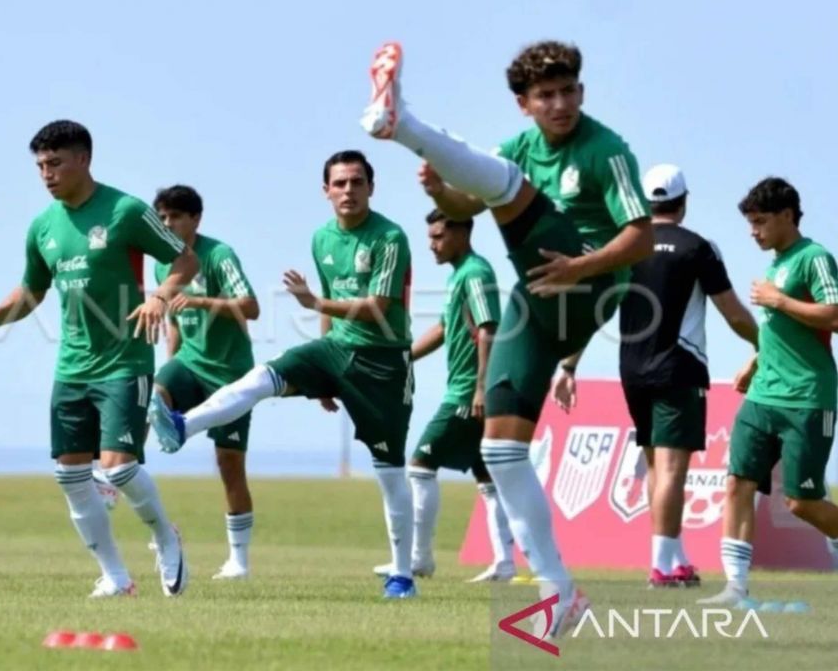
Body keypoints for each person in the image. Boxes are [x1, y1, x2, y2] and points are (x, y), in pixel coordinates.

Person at [360, 40, 652, 633]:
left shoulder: (606, 149)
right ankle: (560, 592)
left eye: (569, 91)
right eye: (546, 95)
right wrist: (441, 192)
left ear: (582, 92)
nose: (561, 103)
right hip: (535, 296)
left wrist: (581, 268)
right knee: (499, 451)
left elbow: (641, 239)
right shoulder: (516, 147)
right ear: (524, 105)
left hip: (590, 285)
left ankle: (404, 124)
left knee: (512, 188)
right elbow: (474, 198)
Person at [150, 150, 419, 599]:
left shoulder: (389, 237)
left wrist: (315, 305)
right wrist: (323, 379)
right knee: (263, 377)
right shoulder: (322, 238)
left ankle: (403, 575)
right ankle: (182, 425)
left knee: (390, 472)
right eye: (339, 183)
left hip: (383, 363)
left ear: (371, 187)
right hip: (333, 351)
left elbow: (378, 308)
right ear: (326, 191)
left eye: (356, 182)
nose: (348, 191)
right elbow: (332, 303)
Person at [0, 120, 198, 597]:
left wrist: (160, 296)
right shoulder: (43, 226)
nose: (46, 174)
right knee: (70, 475)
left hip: (124, 361)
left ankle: (164, 537)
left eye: (55, 163)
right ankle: (115, 577)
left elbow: (185, 260)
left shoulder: (126, 211)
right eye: (40, 166)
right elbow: (31, 291)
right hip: (71, 367)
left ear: (84, 160)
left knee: (117, 468)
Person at [553, 164, 758, 588]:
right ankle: (662, 566)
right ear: (682, 204)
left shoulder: (624, 248)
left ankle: (675, 558)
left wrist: (568, 365)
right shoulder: (699, 247)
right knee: (670, 470)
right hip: (678, 368)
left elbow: (597, 311)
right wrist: (765, 346)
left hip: (632, 369)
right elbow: (734, 314)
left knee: (654, 466)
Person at [700, 177, 838, 605]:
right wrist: (755, 361)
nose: (752, 231)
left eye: (760, 222)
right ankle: (735, 588)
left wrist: (779, 301)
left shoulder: (814, 258)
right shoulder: (776, 264)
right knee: (738, 483)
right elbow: (782, 332)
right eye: (749, 223)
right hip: (762, 396)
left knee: (803, 502)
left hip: (808, 399)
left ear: (786, 216)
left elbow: (834, 315)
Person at [373, 209, 517, 583]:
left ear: (461, 232)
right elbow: (443, 326)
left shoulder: (476, 273)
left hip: (467, 392)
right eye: (430, 236)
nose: (431, 244)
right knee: (486, 476)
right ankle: (504, 562)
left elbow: (488, 330)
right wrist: (405, 358)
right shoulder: (460, 276)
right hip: (468, 390)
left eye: (438, 236)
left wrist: (481, 387)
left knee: (420, 465)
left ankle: (419, 559)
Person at [152, 185, 260, 580]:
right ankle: (117, 475)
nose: (167, 224)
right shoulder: (163, 263)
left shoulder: (219, 255)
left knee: (229, 465)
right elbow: (174, 324)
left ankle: (239, 560)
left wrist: (200, 301)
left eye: (175, 217)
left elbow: (251, 307)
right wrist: (169, 370)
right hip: (189, 364)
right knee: (151, 394)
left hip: (231, 376)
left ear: (195, 219)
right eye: (161, 218)